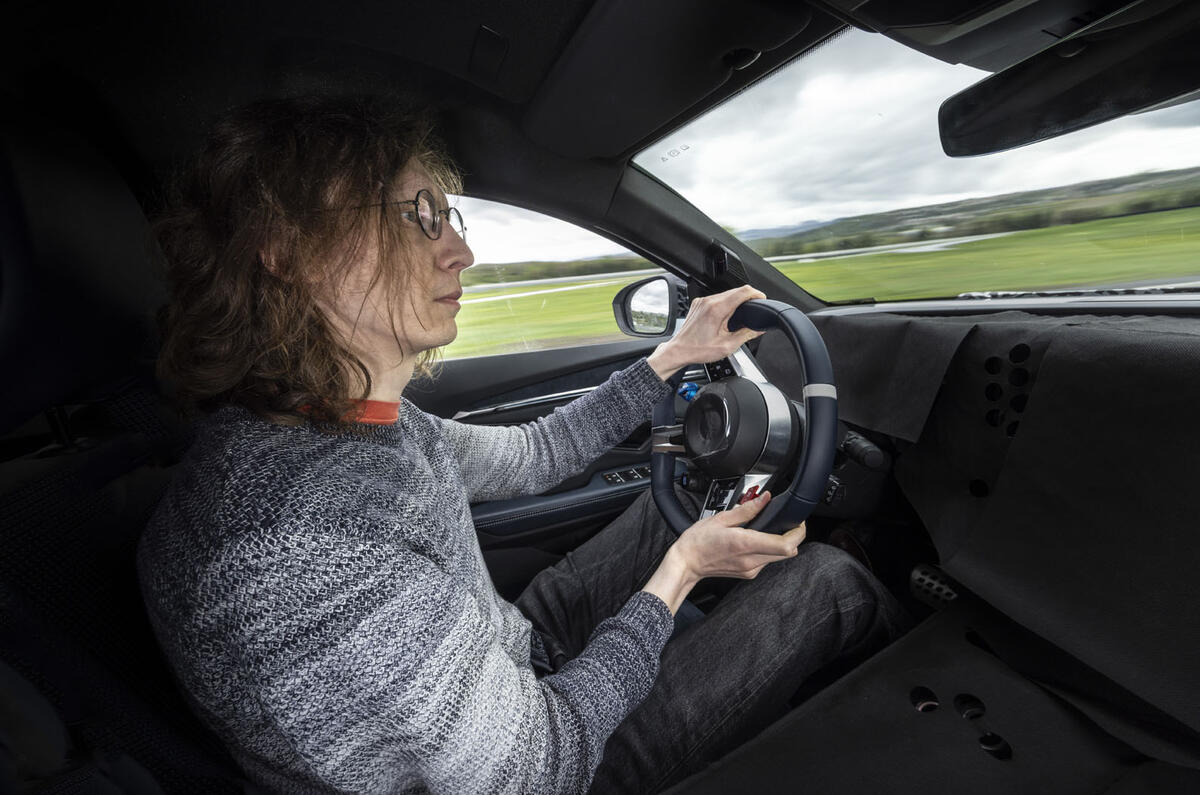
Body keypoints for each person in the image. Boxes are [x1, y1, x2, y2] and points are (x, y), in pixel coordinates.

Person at [137, 95, 909, 795]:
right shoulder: (298, 557)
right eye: (415, 216)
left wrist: (671, 357)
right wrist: (681, 575)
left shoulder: (345, 424)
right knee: (829, 582)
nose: (459, 251)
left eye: (447, 216)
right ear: (287, 250)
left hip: (508, 660)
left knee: (684, 500)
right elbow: (544, 767)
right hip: (548, 757)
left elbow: (536, 454)